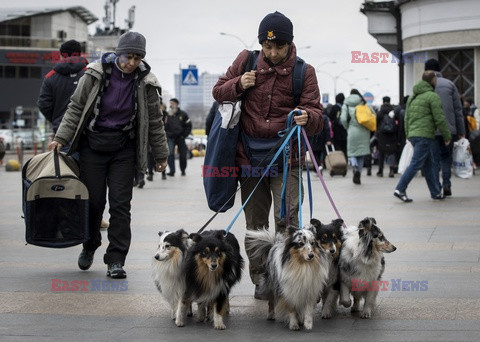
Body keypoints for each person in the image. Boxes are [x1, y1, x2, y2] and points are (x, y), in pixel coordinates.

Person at [212, 11, 323, 296]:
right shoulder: (246, 60)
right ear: (261, 44)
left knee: (288, 221)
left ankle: (288, 276)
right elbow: (218, 92)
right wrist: (239, 84)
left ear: (290, 44)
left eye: (279, 46)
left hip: (288, 160)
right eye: (267, 46)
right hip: (249, 158)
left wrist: (306, 116)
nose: (272, 52)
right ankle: (261, 278)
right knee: (255, 224)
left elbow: (317, 115)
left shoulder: (304, 71)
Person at [48, 31, 169, 278]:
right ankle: (90, 244)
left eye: (137, 58)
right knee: (93, 203)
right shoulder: (94, 74)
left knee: (121, 206)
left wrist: (161, 155)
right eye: (128, 56)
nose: (131, 63)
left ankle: (116, 260)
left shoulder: (146, 82)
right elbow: (75, 107)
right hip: (92, 146)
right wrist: (61, 137)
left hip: (123, 149)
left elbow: (154, 122)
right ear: (118, 53)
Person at [37, 40, 110, 230]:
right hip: (89, 133)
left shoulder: (51, 76)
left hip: (64, 136)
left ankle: (69, 218)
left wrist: (57, 120)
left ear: (61, 55)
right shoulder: (91, 72)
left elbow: (43, 103)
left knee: (65, 176)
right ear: (80, 52)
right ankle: (95, 218)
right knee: (92, 177)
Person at [393, 71, 451, 202]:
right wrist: (446, 135)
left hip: (414, 135)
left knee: (429, 164)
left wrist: (408, 134)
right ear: (433, 80)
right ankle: (400, 188)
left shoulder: (413, 97)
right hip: (425, 135)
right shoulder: (432, 96)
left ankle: (436, 192)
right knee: (416, 163)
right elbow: (440, 118)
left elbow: (407, 117)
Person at [424, 58, 465, 196]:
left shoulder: (423, 86)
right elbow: (458, 110)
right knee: (446, 157)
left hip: (431, 130)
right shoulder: (450, 84)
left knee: (434, 159)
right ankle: (447, 184)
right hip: (449, 129)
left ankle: (437, 187)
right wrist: (461, 131)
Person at [340, 89, 373, 185]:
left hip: (352, 131)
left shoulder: (346, 104)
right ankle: (359, 171)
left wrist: (347, 127)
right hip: (364, 132)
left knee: (352, 153)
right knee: (361, 154)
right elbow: (373, 114)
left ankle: (354, 165)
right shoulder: (363, 103)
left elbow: (343, 118)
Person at [164, 98, 192, 176]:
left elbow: (189, 126)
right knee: (170, 154)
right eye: (170, 103)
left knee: (183, 154)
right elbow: (164, 126)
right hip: (170, 137)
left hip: (181, 137)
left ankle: (183, 170)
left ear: (177, 104)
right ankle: (172, 171)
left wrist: (184, 135)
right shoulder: (167, 115)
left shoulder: (183, 114)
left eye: (172, 103)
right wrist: (166, 134)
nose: (171, 105)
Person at [376, 96, 401, 177]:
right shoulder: (393, 111)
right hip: (392, 134)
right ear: (389, 101)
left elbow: (376, 122)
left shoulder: (380, 112)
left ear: (383, 102)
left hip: (382, 134)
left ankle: (380, 171)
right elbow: (397, 122)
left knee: (381, 152)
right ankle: (391, 170)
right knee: (392, 152)